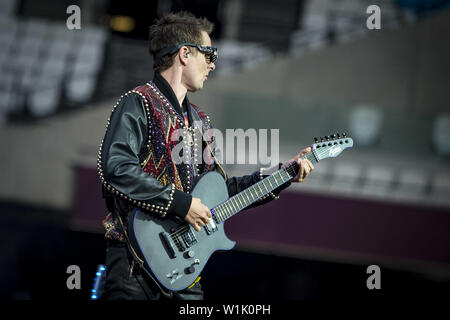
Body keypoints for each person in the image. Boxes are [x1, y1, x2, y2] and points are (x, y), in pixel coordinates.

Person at [97, 11, 314, 300]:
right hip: (134, 264)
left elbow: (218, 194)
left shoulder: (200, 120)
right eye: (208, 53)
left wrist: (281, 175)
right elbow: (116, 169)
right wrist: (181, 203)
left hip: (185, 271)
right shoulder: (138, 103)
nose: (212, 65)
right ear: (184, 54)